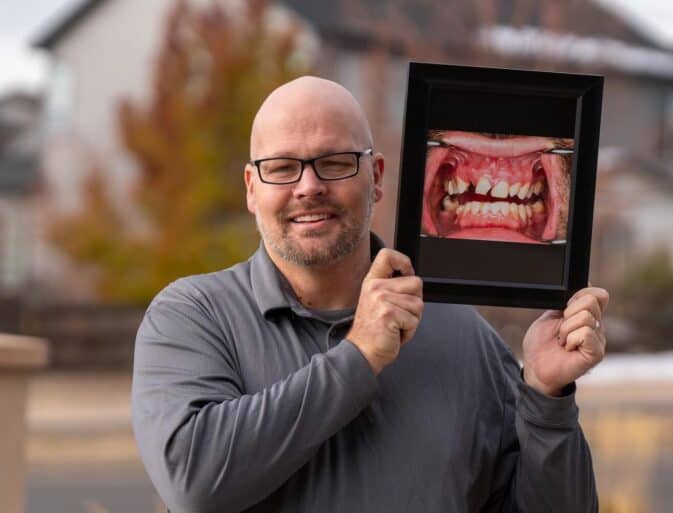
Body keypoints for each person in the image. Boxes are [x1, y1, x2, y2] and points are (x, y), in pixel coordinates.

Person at [132, 76, 609, 513]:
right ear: (252, 188)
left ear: (377, 176)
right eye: (281, 168)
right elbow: (194, 482)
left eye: (334, 163)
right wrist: (358, 357)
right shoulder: (193, 317)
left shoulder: (463, 336)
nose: (309, 187)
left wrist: (547, 398)